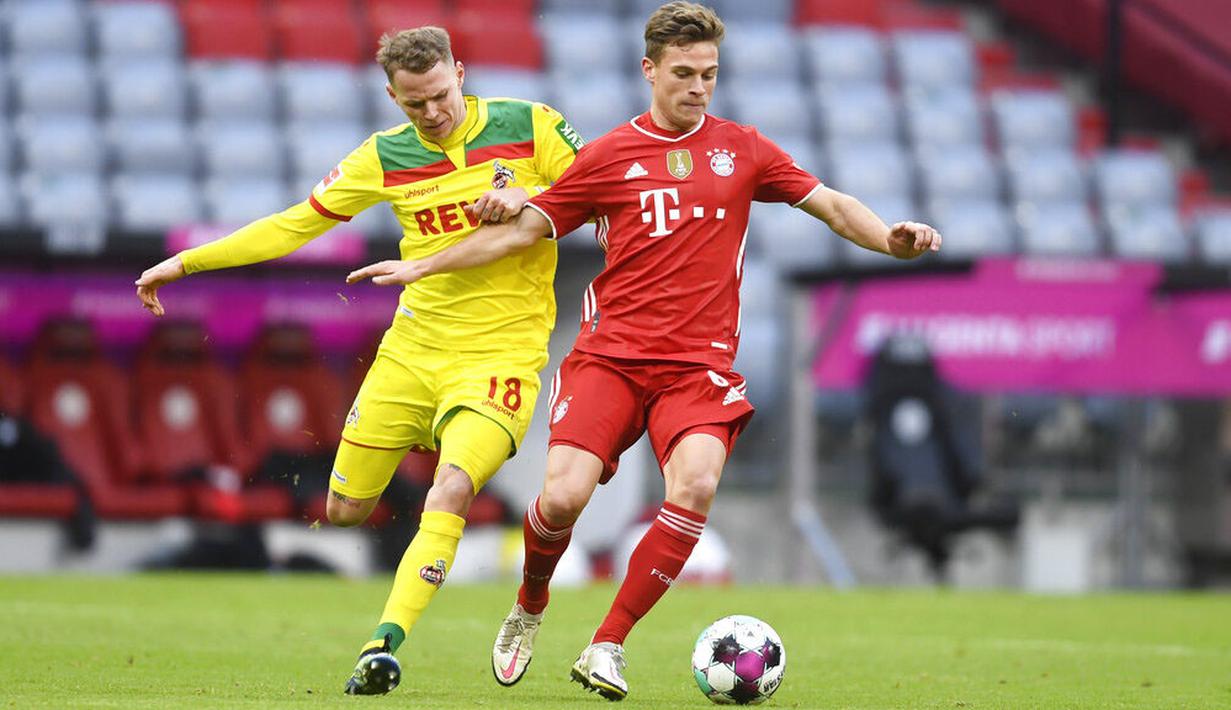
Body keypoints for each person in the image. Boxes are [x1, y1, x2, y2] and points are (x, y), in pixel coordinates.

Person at [345, 2, 941, 701]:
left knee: (693, 487)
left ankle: (606, 643)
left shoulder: (743, 149)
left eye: (709, 75)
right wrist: (422, 265)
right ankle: (531, 603)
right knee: (562, 499)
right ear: (649, 70)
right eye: (683, 73)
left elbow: (831, 204)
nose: (697, 87)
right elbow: (524, 230)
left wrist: (888, 240)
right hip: (612, 359)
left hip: (699, 368)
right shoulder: (606, 157)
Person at [134, 27, 584, 696]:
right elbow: (294, 223)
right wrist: (183, 262)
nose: (431, 113)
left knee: (452, 486)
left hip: (501, 356)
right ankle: (405, 555)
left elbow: (602, 185)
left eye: (439, 95)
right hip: (411, 353)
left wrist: (532, 197)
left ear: (459, 71)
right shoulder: (385, 155)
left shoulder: (529, 126)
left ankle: (383, 644)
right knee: (344, 507)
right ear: (391, 96)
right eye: (413, 105)